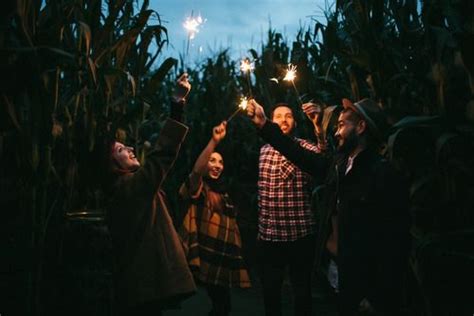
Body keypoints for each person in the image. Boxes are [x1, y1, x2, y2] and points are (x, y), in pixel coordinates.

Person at [246, 98, 410, 316]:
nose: (336, 132)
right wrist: (264, 124)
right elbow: (298, 154)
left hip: (364, 280)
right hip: (337, 270)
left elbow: (394, 242)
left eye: (342, 125)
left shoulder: (382, 174)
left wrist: (378, 296)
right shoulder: (339, 164)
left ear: (361, 127)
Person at [105, 74, 196, 316]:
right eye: (122, 150)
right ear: (113, 163)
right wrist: (177, 102)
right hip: (145, 285)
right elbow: (162, 155)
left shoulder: (126, 186)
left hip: (142, 284)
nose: (131, 149)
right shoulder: (128, 187)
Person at [254, 103, 324, 316]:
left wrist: (319, 129)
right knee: (270, 293)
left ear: (295, 122)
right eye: (278, 116)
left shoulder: (306, 147)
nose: (283, 120)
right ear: (271, 121)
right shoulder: (263, 150)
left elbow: (325, 161)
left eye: (289, 116)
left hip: (300, 235)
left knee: (302, 292)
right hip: (269, 236)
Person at [179, 121, 251, 316]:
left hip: (222, 260)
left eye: (220, 162)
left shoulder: (225, 193)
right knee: (221, 307)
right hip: (207, 259)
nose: (217, 165)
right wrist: (214, 141)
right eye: (212, 160)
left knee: (222, 307)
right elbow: (196, 172)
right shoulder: (200, 189)